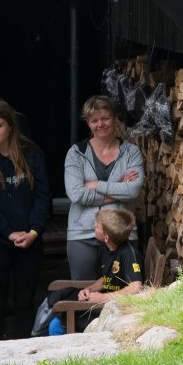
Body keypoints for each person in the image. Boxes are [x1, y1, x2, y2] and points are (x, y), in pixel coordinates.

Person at [0, 100, 51, 341]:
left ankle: (21, 356)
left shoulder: (32, 154)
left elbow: (43, 196)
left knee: (24, 301)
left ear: (11, 127)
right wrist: (8, 233)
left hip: (30, 238)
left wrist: (34, 230)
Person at [64, 95, 144, 280]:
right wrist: (118, 190)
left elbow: (133, 190)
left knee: (123, 293)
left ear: (115, 118)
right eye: (94, 120)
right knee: (84, 295)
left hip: (122, 233)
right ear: (88, 123)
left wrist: (96, 185)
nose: (100, 124)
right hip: (83, 234)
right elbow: (76, 194)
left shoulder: (131, 152)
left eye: (105, 118)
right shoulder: (76, 153)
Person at [45, 208, 143, 335]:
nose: (93, 227)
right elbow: (106, 278)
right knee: (59, 310)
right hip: (102, 303)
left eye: (96, 227)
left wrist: (103, 297)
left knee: (56, 325)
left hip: (116, 308)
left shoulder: (129, 253)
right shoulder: (105, 249)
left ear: (106, 237)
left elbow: (136, 287)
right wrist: (89, 290)